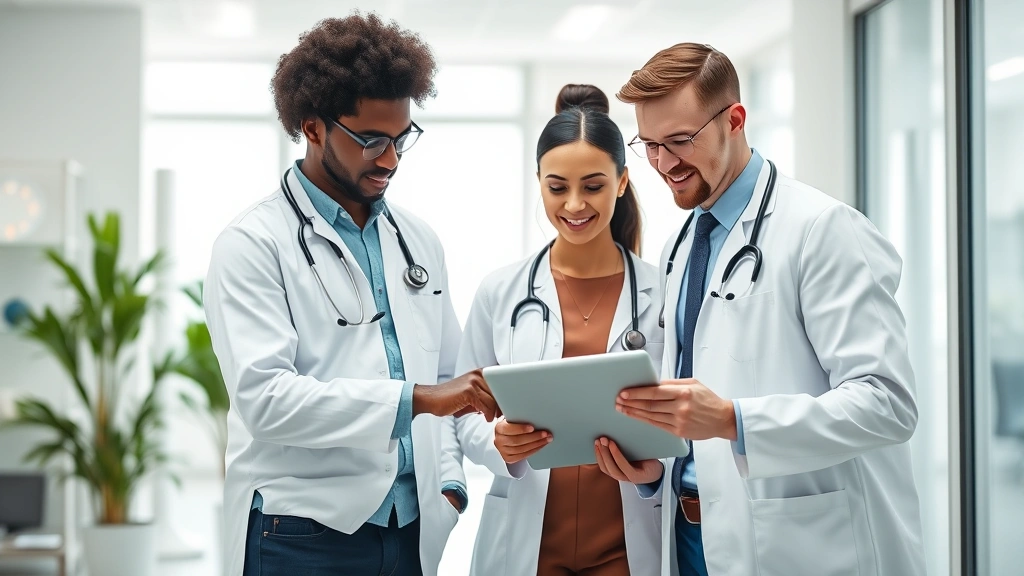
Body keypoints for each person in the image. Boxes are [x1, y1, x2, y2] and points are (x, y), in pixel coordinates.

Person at [597, 43, 927, 576]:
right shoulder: (681, 244)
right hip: (692, 536)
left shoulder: (822, 230)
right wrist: (655, 473)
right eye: (650, 145)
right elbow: (695, 399)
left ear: (734, 120)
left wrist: (734, 420)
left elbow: (887, 403)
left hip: (802, 543)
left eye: (679, 141)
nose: (663, 164)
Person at [203, 13, 499, 576]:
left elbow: (450, 376)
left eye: (401, 139)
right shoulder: (252, 244)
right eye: (371, 141)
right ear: (313, 127)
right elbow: (267, 400)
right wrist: (418, 400)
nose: (390, 159)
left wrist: (451, 483)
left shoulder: (416, 240)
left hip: (411, 529)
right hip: (301, 535)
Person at [452, 84, 665, 576]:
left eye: (592, 186)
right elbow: (464, 409)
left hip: (627, 548)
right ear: (538, 182)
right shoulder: (500, 291)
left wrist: (656, 471)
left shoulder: (663, 294)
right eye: (557, 187)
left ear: (622, 182)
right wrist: (497, 441)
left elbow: (684, 415)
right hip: (528, 545)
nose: (573, 205)